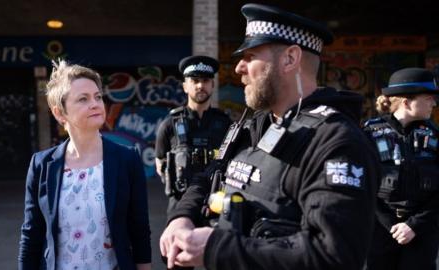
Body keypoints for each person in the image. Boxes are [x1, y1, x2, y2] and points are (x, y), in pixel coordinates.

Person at [159, 3, 380, 270]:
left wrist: (216, 248)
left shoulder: (336, 142)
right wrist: (182, 217)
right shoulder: (256, 124)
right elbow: (211, 175)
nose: (239, 67)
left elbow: (332, 256)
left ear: (290, 59)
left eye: (250, 56)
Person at [18, 60, 151, 270]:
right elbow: (31, 233)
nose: (95, 104)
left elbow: (139, 228)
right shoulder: (42, 165)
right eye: (83, 99)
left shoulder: (127, 160)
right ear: (59, 113)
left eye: (98, 97)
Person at [363, 67, 439, 270]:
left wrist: (414, 225)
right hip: (380, 233)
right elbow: (363, 185)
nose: (434, 102)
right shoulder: (369, 134)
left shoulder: (435, 136)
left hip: (422, 234)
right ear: (406, 102)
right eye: (428, 98)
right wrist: (391, 225)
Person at [155, 55, 231, 214]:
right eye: (194, 81)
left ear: (213, 85)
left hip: (215, 206)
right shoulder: (170, 124)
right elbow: (160, 163)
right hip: (179, 204)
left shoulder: (225, 124)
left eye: (205, 81)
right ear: (185, 86)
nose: (200, 86)